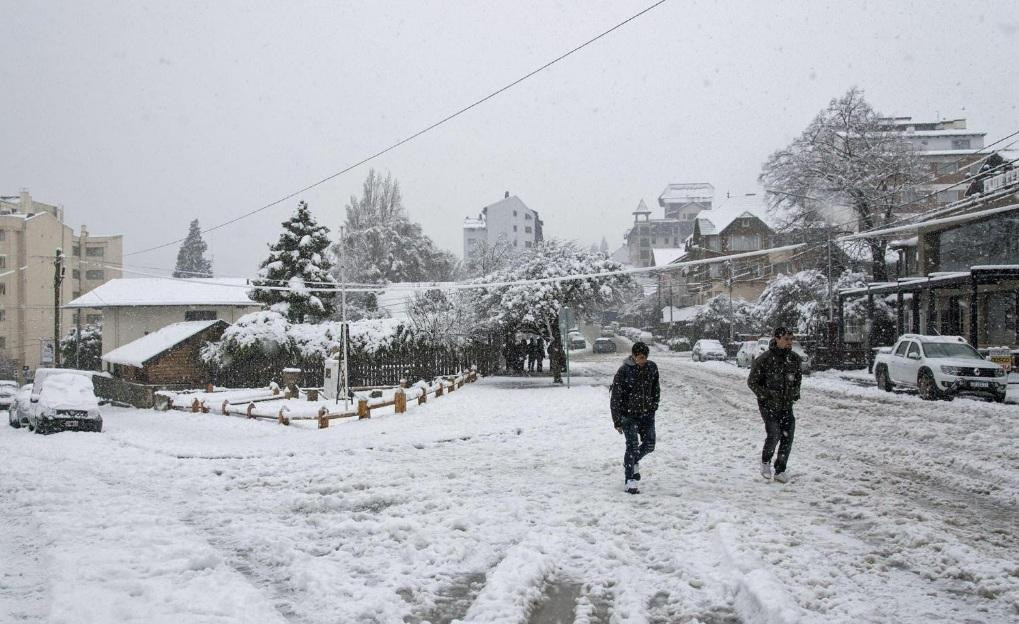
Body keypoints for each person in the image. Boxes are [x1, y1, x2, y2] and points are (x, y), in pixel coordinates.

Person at [747, 327, 803, 483]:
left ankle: (780, 470)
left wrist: (795, 392)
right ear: (777, 339)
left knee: (788, 436)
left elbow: (798, 379)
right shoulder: (764, 360)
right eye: (786, 339)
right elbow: (752, 382)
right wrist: (766, 395)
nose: (789, 342)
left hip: (786, 404)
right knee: (774, 434)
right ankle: (766, 462)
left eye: (791, 339)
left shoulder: (794, 359)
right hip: (768, 405)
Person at [610, 341, 660, 494]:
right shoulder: (624, 371)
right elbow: (615, 397)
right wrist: (617, 420)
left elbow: (655, 388)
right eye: (639, 357)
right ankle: (630, 480)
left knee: (650, 444)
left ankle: (631, 462)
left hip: (647, 414)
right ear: (633, 356)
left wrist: (654, 405)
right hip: (628, 416)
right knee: (631, 446)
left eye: (644, 357)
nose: (642, 360)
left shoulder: (652, 368)